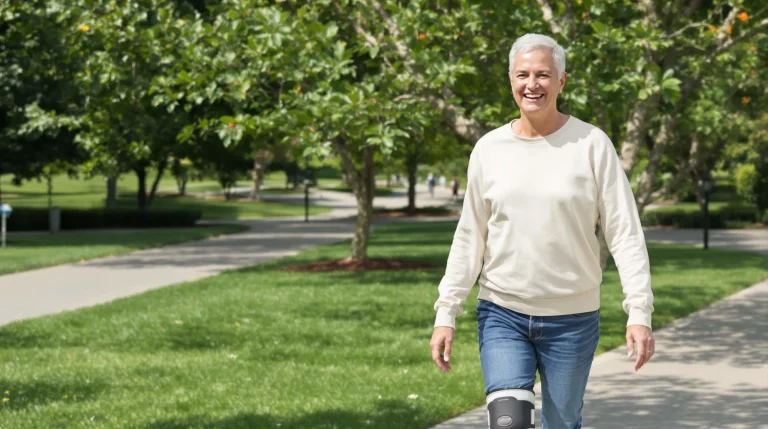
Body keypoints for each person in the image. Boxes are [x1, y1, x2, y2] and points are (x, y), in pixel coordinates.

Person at [429, 33, 655, 429]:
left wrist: (639, 311)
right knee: (508, 420)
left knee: (562, 423)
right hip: (502, 311)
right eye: (523, 75)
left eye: (543, 75)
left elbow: (624, 231)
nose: (532, 84)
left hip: (572, 318)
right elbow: (470, 236)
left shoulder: (592, 144)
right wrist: (446, 312)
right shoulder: (488, 149)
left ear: (561, 81)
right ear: (511, 80)